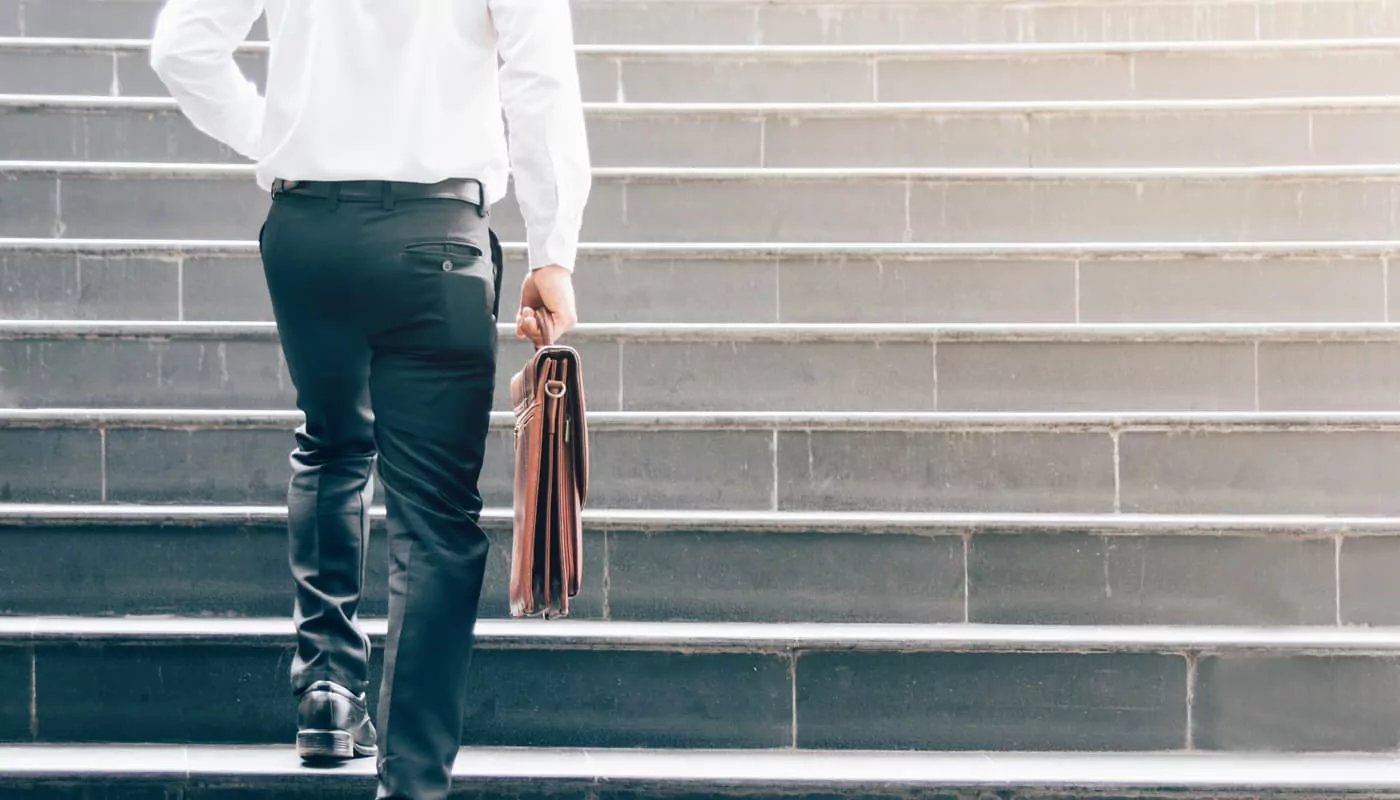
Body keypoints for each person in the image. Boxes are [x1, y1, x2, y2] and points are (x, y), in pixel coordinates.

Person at [149, 1, 591, 797]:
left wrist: (279, 135)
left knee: (330, 439)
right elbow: (540, 83)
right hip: (438, 240)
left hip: (306, 230)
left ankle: (328, 688)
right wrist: (552, 251)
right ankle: (411, 784)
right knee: (435, 525)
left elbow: (183, 48)